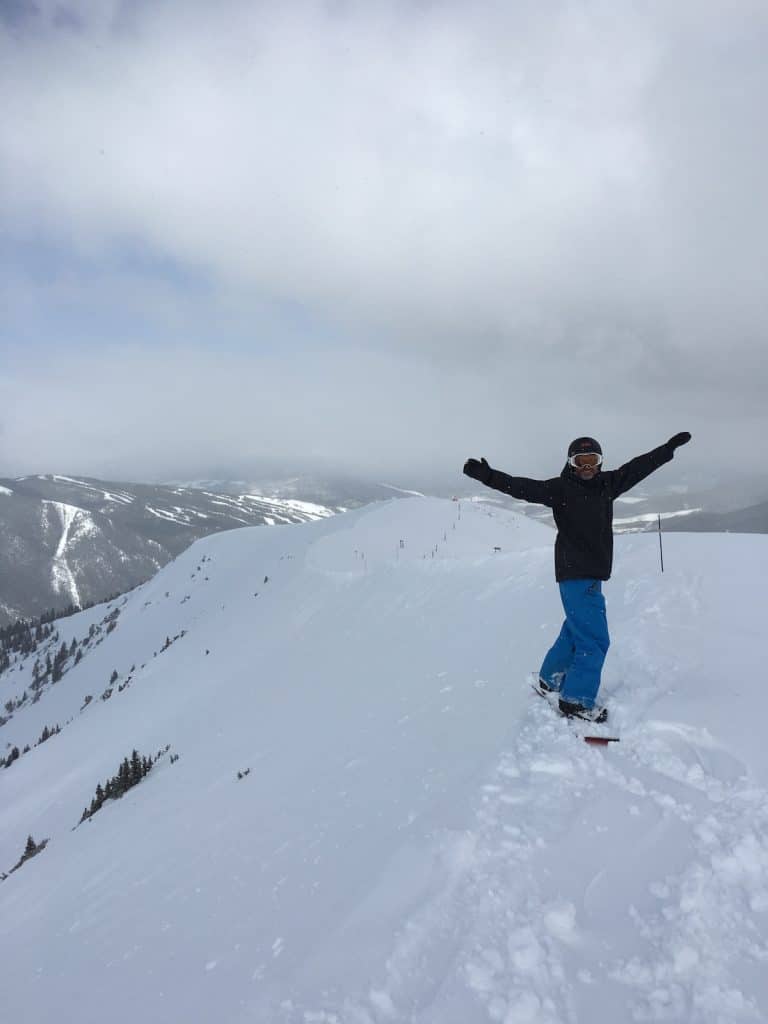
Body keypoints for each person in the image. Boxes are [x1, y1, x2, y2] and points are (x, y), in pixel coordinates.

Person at [463, 433, 692, 721]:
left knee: (575, 628)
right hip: (575, 572)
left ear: (600, 462)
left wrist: (667, 449)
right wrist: (488, 476)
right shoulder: (559, 489)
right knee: (594, 640)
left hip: (589, 573)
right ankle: (576, 701)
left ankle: (549, 678)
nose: (587, 467)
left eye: (592, 460)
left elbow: (638, 467)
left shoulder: (608, 484)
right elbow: (520, 487)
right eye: (580, 461)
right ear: (571, 463)